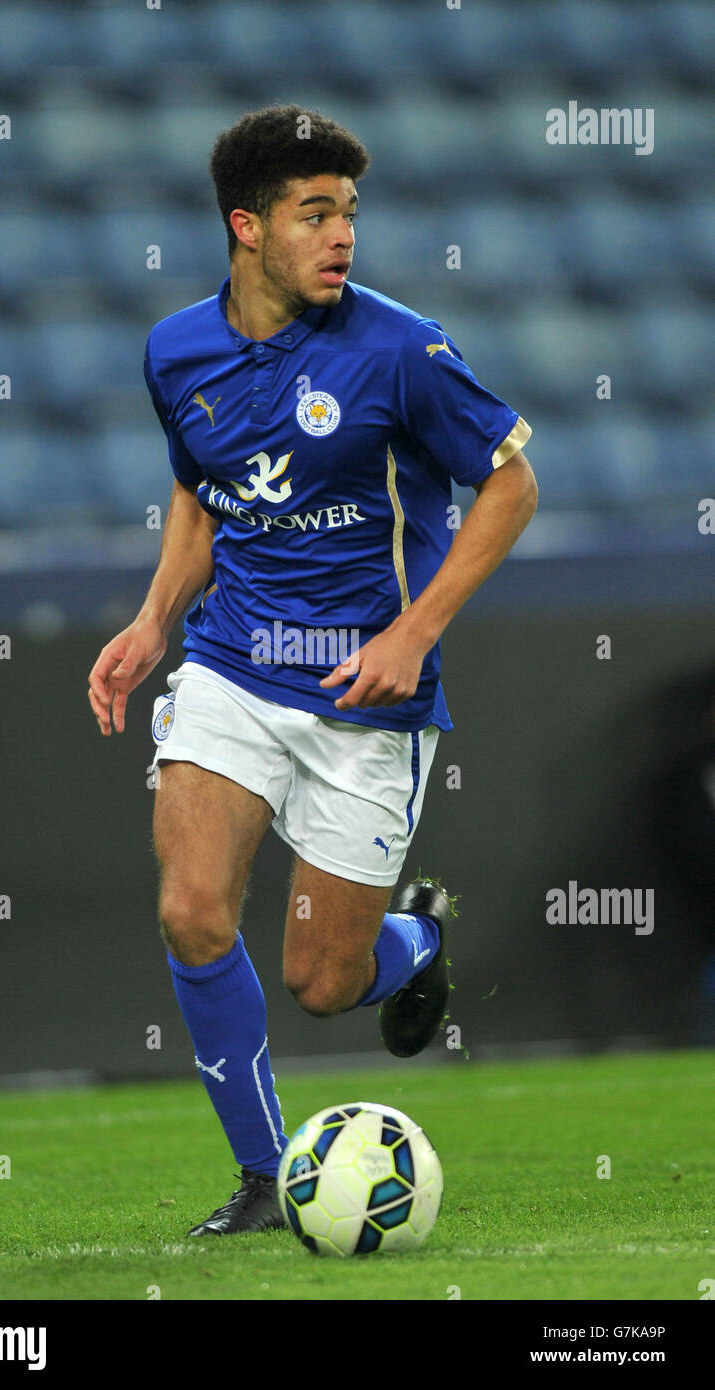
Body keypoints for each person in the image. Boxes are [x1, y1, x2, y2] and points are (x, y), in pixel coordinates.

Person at [88, 104, 537, 1236]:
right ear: (247, 226)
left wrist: (414, 632)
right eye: (313, 212)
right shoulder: (175, 350)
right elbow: (206, 488)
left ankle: (416, 940)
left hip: (362, 697)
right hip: (233, 664)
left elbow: (512, 485)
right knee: (192, 910)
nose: (341, 235)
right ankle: (257, 1179)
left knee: (323, 983)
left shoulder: (400, 348)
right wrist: (152, 623)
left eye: (349, 212)